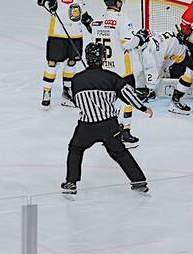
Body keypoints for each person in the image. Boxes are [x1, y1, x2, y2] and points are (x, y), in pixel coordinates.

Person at [61, 42, 153, 198]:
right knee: (120, 153)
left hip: (86, 127)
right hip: (109, 126)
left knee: (75, 149)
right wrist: (143, 108)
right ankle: (139, 182)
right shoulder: (111, 78)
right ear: (103, 58)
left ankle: (71, 182)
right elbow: (129, 95)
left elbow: (76, 101)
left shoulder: (76, 80)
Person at [90, 0, 150, 147]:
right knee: (126, 101)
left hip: (103, 69)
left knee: (107, 102)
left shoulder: (96, 21)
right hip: (121, 71)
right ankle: (125, 132)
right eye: (120, 1)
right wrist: (141, 37)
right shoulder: (122, 19)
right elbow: (128, 43)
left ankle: (107, 132)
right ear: (117, 3)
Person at [35, 0, 92, 110]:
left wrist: (87, 20)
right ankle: (46, 92)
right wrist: (48, 2)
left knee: (72, 62)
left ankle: (67, 93)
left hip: (76, 33)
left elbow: (81, 7)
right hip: (58, 33)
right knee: (52, 64)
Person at [135, 29, 187, 101]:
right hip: (180, 49)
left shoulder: (149, 52)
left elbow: (153, 70)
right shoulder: (152, 37)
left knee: (179, 77)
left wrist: (149, 90)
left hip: (182, 57)